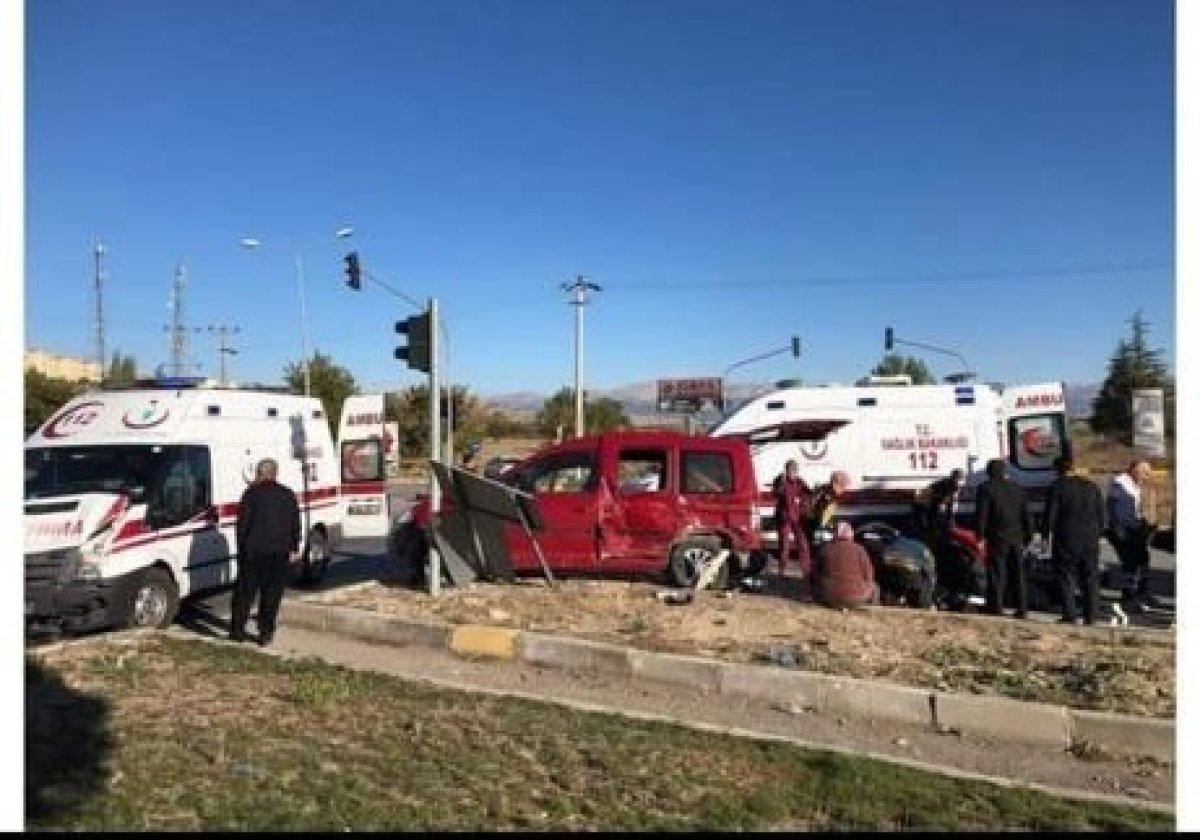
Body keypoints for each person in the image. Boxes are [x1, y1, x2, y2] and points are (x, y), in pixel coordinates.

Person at [231, 458, 301, 646]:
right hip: (279, 552)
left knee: (245, 594)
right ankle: (265, 633)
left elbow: (242, 525)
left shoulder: (250, 494)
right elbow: (295, 522)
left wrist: (241, 550)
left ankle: (237, 631)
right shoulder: (287, 495)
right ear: (275, 474)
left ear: (260, 474)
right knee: (272, 595)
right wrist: (294, 546)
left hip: (253, 552)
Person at [1044, 456, 1105, 624]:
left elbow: (1051, 515)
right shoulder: (1092, 487)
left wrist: (1045, 535)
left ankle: (1069, 614)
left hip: (1067, 536)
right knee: (1090, 576)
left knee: (1066, 575)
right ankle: (1091, 616)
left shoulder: (1057, 487)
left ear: (1057, 470)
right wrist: (1100, 533)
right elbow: (1102, 513)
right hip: (1091, 538)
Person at [975, 459, 1033, 618]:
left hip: (997, 536)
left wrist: (979, 536)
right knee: (1018, 574)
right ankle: (1022, 608)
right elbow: (1026, 515)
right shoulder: (1017, 490)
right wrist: (1028, 536)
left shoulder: (986, 489)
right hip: (1017, 537)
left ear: (989, 473)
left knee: (997, 572)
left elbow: (982, 515)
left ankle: (996, 607)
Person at [1106, 460, 1154, 612]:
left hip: (1132, 530)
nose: (1146, 476)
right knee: (1131, 563)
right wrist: (1129, 529)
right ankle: (1129, 598)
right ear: (1134, 470)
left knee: (1142, 559)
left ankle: (1141, 593)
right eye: (1144, 472)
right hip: (1124, 532)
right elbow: (1118, 514)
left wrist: (1142, 524)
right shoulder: (1120, 486)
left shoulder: (1132, 486)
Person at [813, 521, 878, 608]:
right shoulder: (860, 549)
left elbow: (814, 571)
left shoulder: (826, 548)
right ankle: (873, 603)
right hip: (857, 598)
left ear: (835, 533)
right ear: (851, 534)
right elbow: (869, 573)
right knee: (875, 586)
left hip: (828, 597)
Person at [772, 459, 812, 574]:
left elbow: (808, 495)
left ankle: (806, 569)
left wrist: (803, 503)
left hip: (798, 517)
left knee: (803, 543)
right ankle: (782, 569)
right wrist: (782, 483)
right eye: (790, 470)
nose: (792, 473)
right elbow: (776, 493)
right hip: (784, 518)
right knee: (784, 545)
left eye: (794, 470)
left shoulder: (800, 482)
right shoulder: (780, 480)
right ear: (786, 470)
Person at [917, 469, 964, 543]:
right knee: (929, 525)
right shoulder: (945, 485)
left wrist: (951, 521)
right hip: (925, 503)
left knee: (937, 520)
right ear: (953, 478)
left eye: (960, 479)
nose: (959, 483)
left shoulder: (955, 486)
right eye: (957, 479)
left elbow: (951, 504)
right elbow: (947, 502)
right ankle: (930, 538)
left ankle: (935, 535)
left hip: (933, 502)